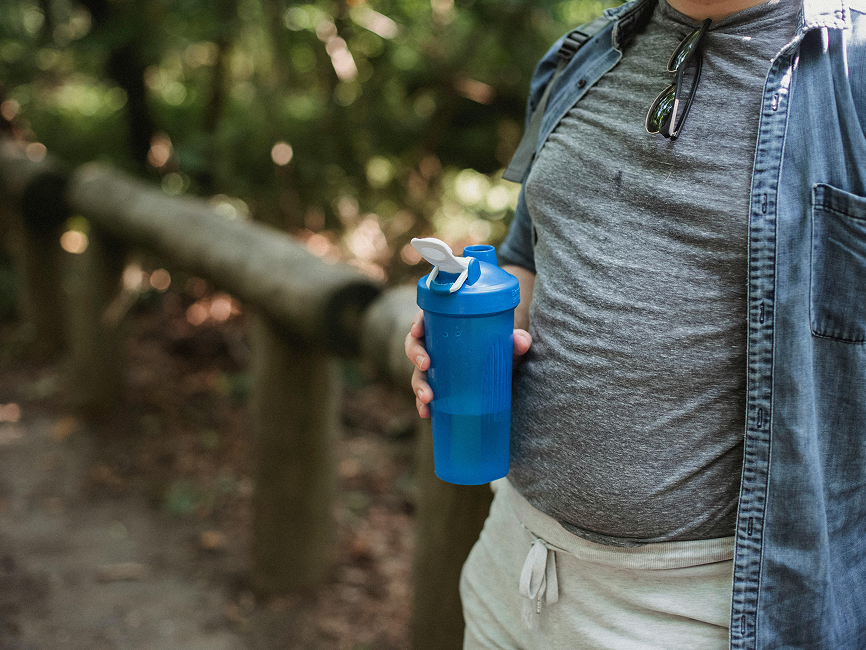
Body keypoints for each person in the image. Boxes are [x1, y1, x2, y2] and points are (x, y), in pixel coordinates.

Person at [405, 0, 866, 647]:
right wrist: (470, 336)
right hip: (510, 562)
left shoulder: (853, 69)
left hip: (706, 611)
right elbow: (526, 257)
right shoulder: (581, 54)